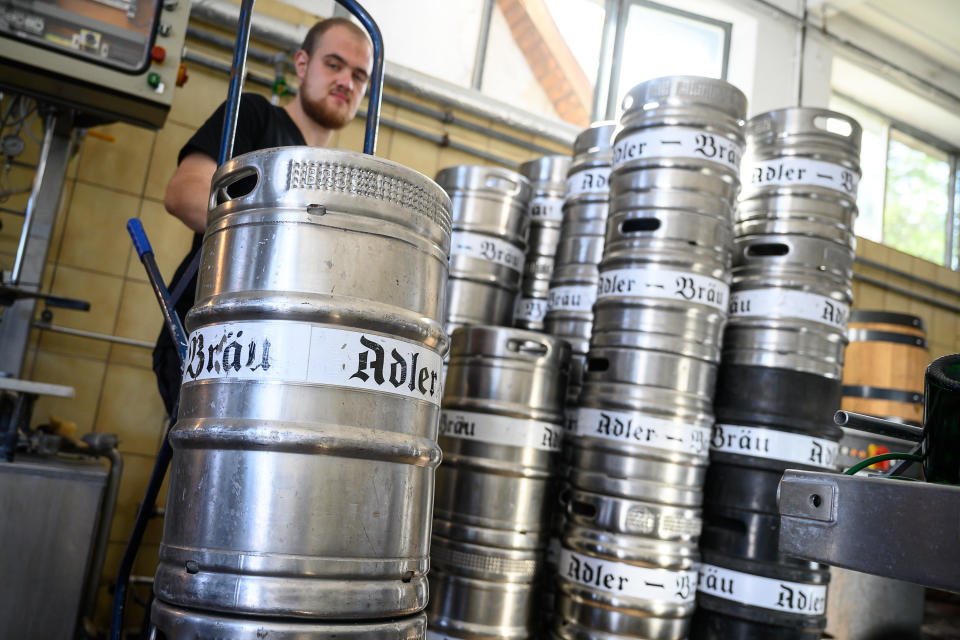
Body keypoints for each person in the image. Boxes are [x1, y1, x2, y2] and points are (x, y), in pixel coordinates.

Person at [153, 17, 374, 415]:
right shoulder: (255, 116)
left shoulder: (333, 175)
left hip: (282, 357)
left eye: (359, 76)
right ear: (302, 64)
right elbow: (184, 193)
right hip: (215, 346)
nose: (347, 82)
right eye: (334, 65)